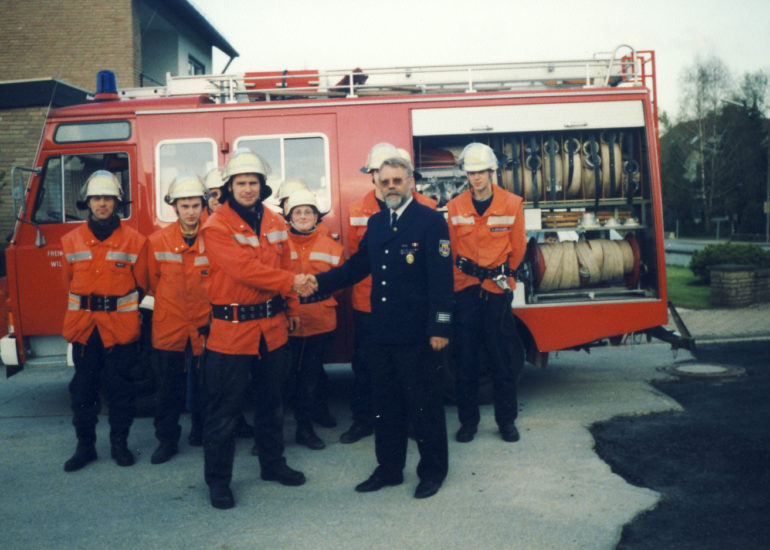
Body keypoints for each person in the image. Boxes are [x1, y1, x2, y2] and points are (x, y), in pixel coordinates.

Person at [304, 156, 453, 499]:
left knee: (424, 406)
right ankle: (388, 470)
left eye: (397, 181)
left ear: (411, 182)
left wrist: (440, 327)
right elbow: (357, 267)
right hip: (381, 331)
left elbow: (441, 279)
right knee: (385, 405)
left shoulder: (430, 221)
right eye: (385, 182)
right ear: (377, 185)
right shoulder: (377, 222)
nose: (391, 187)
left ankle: (432, 471)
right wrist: (318, 282)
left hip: (417, 334)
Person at [200, 148, 308, 510]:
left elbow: (285, 262)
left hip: (272, 327)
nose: (247, 188)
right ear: (229, 187)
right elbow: (244, 270)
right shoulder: (216, 226)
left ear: (263, 185)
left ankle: (273, 464)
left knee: (272, 403)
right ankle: (219, 482)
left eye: (253, 182)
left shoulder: (275, 222)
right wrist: (292, 284)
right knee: (224, 411)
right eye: (241, 183)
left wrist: (292, 306)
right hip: (232, 331)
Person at [341, 143, 437, 444]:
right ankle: (363, 420)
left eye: (396, 178)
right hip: (367, 303)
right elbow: (358, 259)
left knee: (411, 372)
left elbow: (434, 267)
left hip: (407, 306)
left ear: (408, 178)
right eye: (377, 174)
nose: (386, 183)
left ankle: (412, 424)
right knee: (365, 366)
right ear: (372, 176)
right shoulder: (359, 211)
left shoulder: (428, 209)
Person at [61, 170, 149, 471]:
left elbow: (143, 283)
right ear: (87, 202)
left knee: (121, 391)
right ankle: (85, 447)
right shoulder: (70, 241)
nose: (102, 203)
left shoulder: (135, 242)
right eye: (97, 198)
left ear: (117, 203)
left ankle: (119, 445)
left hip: (120, 331)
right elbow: (67, 283)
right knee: (82, 392)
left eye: (108, 198)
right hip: (84, 331)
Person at [446, 142, 527, 444]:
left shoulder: (512, 204)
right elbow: (452, 250)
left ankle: (506, 422)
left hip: (496, 291)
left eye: (481, 172)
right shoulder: (455, 207)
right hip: (466, 291)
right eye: (471, 173)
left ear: (492, 171)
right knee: (465, 360)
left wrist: (504, 276)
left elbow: (518, 247)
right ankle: (468, 423)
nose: (476, 177)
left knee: (501, 359)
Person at [146, 173, 210, 464]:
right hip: (169, 325)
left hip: (205, 325)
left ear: (203, 206)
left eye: (195, 205)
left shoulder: (214, 239)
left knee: (207, 384)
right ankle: (167, 441)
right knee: (167, 389)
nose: (191, 212)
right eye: (184, 206)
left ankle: (202, 432)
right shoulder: (156, 241)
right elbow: (150, 281)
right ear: (174, 207)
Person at [283, 188, 344, 450]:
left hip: (320, 320)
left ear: (317, 216)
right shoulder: (277, 245)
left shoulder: (333, 247)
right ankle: (272, 433)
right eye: (297, 212)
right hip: (287, 321)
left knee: (310, 376)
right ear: (289, 217)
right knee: (282, 377)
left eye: (308, 212)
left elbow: (339, 283)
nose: (303, 216)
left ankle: (305, 429)